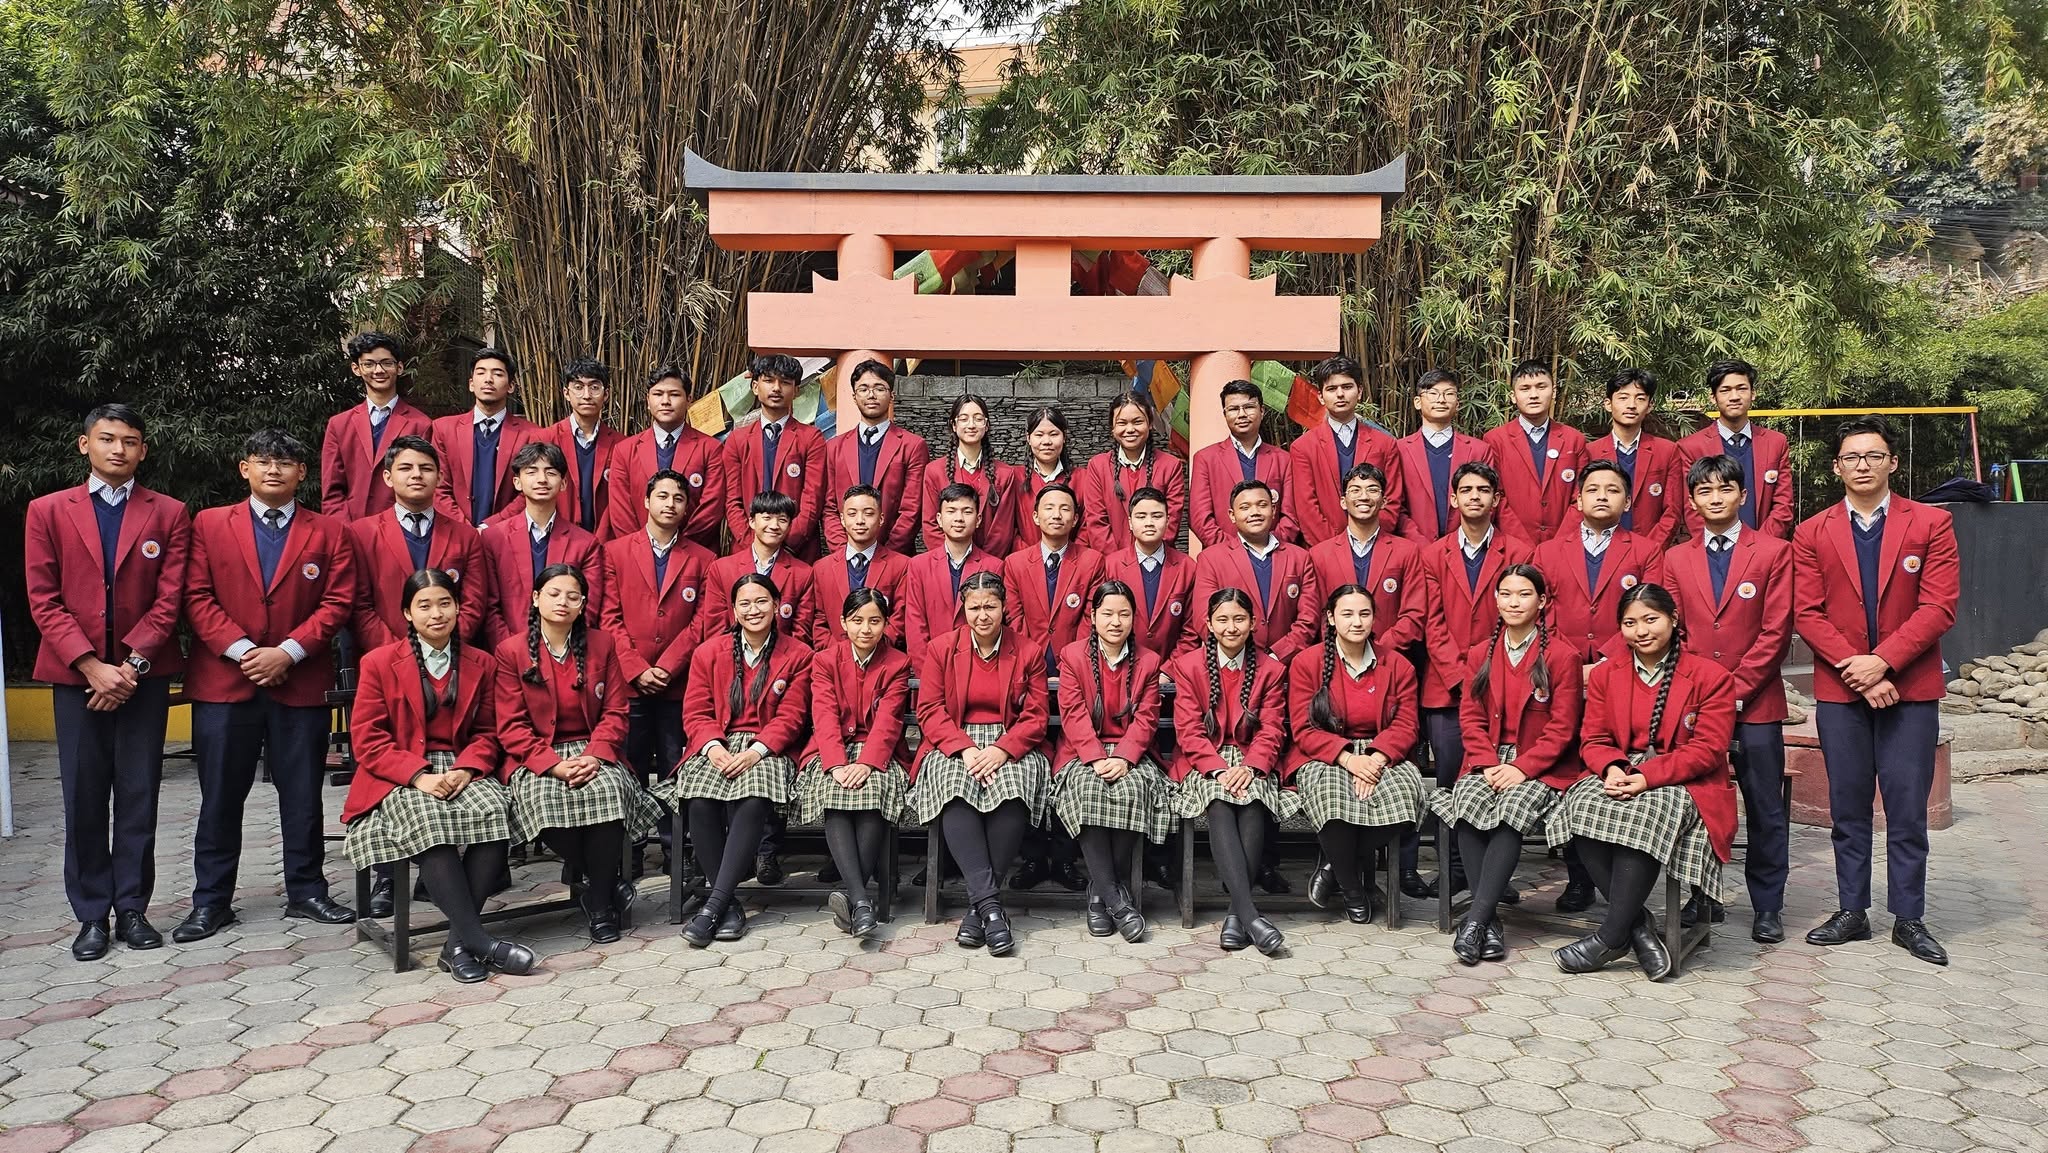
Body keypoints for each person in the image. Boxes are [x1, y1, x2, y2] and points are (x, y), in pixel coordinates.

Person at [178, 428, 358, 942]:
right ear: (244, 469)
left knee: (301, 791)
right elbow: (195, 596)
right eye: (263, 461)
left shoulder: (329, 532)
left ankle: (307, 891)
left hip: (299, 681)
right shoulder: (209, 524)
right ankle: (211, 902)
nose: (274, 470)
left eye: (285, 462)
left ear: (303, 472)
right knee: (219, 796)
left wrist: (288, 652)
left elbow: (337, 602)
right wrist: (244, 652)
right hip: (224, 682)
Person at [26, 404, 191, 959]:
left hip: (141, 679)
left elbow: (170, 601)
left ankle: (133, 909)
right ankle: (92, 916)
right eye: (107, 439)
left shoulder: (168, 513)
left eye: (130, 441)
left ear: (144, 451)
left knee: (140, 793)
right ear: (84, 445)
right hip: (78, 680)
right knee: (85, 795)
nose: (118, 449)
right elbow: (43, 600)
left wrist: (130, 667)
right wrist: (90, 666)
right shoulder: (47, 511)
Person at [1793, 415, 1958, 965]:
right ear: (1837, 467)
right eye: (1852, 457)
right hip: (1843, 693)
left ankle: (1909, 918)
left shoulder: (1931, 524)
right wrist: (1856, 669)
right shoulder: (1812, 531)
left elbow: (1939, 607)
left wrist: (1883, 662)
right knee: (1849, 805)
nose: (1862, 465)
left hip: (1909, 689)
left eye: (1873, 455)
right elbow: (1807, 613)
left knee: (1907, 809)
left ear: (1891, 462)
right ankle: (1851, 910)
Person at [341, 570, 534, 981]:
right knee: (429, 819)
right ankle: (477, 941)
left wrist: (467, 767)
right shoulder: (378, 662)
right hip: (399, 772)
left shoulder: (480, 661)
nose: (436, 613)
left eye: (445, 603)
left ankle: (456, 944)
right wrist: (418, 776)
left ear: (460, 607)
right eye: (424, 605)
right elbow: (368, 740)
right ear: (407, 614)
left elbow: (488, 733)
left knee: (495, 810)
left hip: (463, 765)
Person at [1549, 584, 1737, 981]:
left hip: (1684, 777)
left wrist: (1646, 778)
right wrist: (1613, 768)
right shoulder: (1605, 675)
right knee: (1580, 804)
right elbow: (1594, 739)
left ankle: (1611, 936)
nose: (1641, 631)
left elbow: (1708, 749)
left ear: (1673, 619)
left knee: (1645, 812)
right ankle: (1637, 925)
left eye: (1650, 619)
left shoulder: (1710, 676)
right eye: (1630, 623)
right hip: (1619, 770)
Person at [493, 564, 661, 945]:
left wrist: (596, 756)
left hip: (592, 748)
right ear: (536, 599)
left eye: (572, 596)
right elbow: (511, 726)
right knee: (542, 799)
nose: (562, 602)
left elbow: (616, 712)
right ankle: (606, 883)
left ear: (583, 603)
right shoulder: (512, 651)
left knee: (608, 792)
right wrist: (551, 765)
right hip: (538, 754)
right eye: (553, 594)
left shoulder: (603, 645)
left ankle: (599, 903)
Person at [1428, 565, 1585, 965]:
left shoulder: (1561, 655)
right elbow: (1471, 717)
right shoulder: (1481, 653)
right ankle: (1492, 920)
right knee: (1467, 799)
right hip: (1488, 760)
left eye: (1524, 594)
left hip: (1539, 765)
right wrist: (1484, 762)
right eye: (1507, 594)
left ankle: (1477, 920)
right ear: (1496, 600)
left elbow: (1563, 727)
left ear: (1542, 601)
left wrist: (1522, 768)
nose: (1514, 602)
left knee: (1511, 810)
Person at [1666, 455, 1794, 942]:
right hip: (1694, 707)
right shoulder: (1677, 557)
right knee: (1698, 802)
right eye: (1704, 491)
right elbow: (1674, 630)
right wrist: (1707, 697)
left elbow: (1776, 631)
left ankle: (1768, 907)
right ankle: (1704, 894)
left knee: (1764, 806)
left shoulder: (1773, 552)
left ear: (1743, 496)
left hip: (1757, 704)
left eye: (1725, 489)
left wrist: (1733, 693)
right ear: (1693, 502)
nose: (1714, 498)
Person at [907, 572, 1052, 956]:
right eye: (974, 607)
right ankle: (991, 907)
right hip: (957, 740)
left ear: (1005, 607)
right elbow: (930, 709)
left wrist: (1003, 749)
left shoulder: (1028, 651)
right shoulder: (942, 649)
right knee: (953, 785)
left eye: (990, 606)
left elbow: (1036, 716)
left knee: (1016, 785)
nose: (983, 615)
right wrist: (964, 748)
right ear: (963, 608)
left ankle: (978, 910)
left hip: (1009, 740)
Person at [666, 573, 814, 947]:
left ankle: (713, 905)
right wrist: (714, 748)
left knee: (752, 795)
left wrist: (755, 751)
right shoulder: (708, 652)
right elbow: (696, 712)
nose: (754, 610)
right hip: (716, 744)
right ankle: (727, 904)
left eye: (762, 601)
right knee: (698, 796)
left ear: (777, 605)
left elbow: (792, 717)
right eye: (744, 603)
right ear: (733, 610)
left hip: (767, 747)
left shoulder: (798, 655)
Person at [1307, 462, 1433, 899]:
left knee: (1401, 785)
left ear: (1384, 499)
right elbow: (1312, 614)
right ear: (1342, 500)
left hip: (1384, 669)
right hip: (1334, 675)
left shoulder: (1406, 552)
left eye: (1372, 488)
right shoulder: (1320, 554)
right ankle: (1353, 878)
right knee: (1334, 787)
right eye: (1355, 489)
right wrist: (1344, 647)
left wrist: (1376, 648)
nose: (1363, 496)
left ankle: (1367, 871)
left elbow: (1415, 613)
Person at [1418, 463, 1534, 898]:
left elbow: (1520, 618)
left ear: (1496, 499)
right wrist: (1462, 677)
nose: (1474, 497)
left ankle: (1493, 875)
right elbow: (1431, 622)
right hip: (1446, 688)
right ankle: (1455, 870)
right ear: (1453, 499)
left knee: (1498, 776)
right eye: (1465, 490)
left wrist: (1489, 674)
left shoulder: (1519, 551)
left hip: (1504, 683)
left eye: (1483, 490)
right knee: (1451, 777)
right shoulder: (1433, 554)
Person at [599, 470, 718, 880]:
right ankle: (626, 849)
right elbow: (607, 617)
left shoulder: (703, 560)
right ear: (646, 501)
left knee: (673, 765)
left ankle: (674, 847)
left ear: (688, 508)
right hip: (627, 683)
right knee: (628, 763)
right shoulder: (614, 552)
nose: (670, 504)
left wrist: (668, 666)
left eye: (678, 498)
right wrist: (635, 668)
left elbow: (704, 622)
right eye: (662, 496)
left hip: (677, 683)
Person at [1167, 590, 1293, 955]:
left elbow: (1273, 728)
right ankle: (1250, 914)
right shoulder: (1191, 667)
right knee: (1221, 803)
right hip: (1204, 762)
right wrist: (1219, 770)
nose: (1231, 627)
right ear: (1208, 624)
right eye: (1222, 620)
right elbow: (1188, 730)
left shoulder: (1270, 670)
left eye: (1239, 619)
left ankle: (1237, 915)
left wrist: (1251, 766)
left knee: (1252, 802)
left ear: (1253, 623)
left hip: (1253, 760)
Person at [1289, 586, 1425, 924]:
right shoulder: (1307, 663)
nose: (1356, 621)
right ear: (1332, 619)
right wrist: (1350, 760)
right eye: (1347, 614)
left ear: (1374, 617)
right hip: (1327, 752)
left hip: (1382, 751)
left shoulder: (1397, 665)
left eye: (1364, 613)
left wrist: (1376, 761)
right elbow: (1304, 729)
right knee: (1333, 801)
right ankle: (1353, 890)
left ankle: (1334, 865)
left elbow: (1407, 724)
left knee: (1406, 800)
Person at [1050, 581, 1170, 943]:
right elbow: (1072, 715)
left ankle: (1099, 894)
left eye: (1124, 614)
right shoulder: (1072, 656)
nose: (1115, 622)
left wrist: (1124, 757)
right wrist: (1095, 757)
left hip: (1131, 754)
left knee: (1132, 790)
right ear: (1093, 617)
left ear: (1134, 618)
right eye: (1107, 614)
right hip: (1081, 752)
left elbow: (1147, 718)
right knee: (1088, 789)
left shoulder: (1148, 661)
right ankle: (1118, 900)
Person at [797, 590, 913, 938]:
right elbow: (824, 715)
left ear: (885, 624)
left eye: (875, 621)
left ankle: (854, 900)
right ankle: (863, 901)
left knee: (873, 791)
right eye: (858, 620)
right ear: (844, 622)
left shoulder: (897, 662)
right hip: (831, 749)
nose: (866, 629)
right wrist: (835, 764)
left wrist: (866, 763)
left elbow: (890, 721)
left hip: (878, 751)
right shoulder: (825, 660)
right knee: (834, 791)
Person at [346, 437, 485, 652]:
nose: (417, 475)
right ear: (388, 477)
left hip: (452, 658)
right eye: (405, 468)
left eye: (426, 468)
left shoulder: (465, 536)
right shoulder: (361, 534)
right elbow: (359, 606)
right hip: (384, 661)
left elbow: (473, 604)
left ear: (439, 478)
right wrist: (399, 655)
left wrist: (444, 648)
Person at [1530, 460, 1666, 666]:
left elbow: (1649, 612)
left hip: (1624, 662)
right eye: (1592, 490)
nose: (1602, 496)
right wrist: (1567, 659)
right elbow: (1538, 611)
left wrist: (1608, 660)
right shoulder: (1546, 552)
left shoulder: (1648, 551)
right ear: (1579, 501)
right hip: (1557, 662)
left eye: (1612, 490)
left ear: (1627, 502)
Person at [477, 442, 604, 648]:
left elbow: (587, 607)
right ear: (517, 482)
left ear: (563, 483)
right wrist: (514, 651)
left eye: (551, 472)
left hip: (566, 653)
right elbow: (490, 607)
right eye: (532, 472)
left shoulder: (586, 543)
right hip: (509, 653)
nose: (542, 480)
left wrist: (559, 649)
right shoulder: (493, 538)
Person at [1191, 481, 1321, 667]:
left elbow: (1309, 618)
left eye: (1262, 505)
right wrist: (1243, 655)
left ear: (1273, 509)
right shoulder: (1211, 559)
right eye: (1245, 507)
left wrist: (1277, 656)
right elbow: (1204, 619)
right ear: (1232, 515)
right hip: (1232, 665)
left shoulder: (1299, 558)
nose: (1255, 512)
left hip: (1287, 665)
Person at [603, 365, 726, 550]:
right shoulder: (625, 450)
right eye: (658, 394)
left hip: (694, 554)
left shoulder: (710, 448)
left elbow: (712, 508)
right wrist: (641, 546)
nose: (665, 401)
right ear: (648, 400)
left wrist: (679, 546)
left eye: (674, 395)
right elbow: (620, 510)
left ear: (689, 400)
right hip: (636, 553)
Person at [1285, 355, 1404, 546]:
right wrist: (1332, 548)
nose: (1340, 394)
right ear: (1321, 397)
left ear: (1360, 392)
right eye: (1332, 389)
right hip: (1323, 549)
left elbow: (1392, 500)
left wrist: (1369, 540)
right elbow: (1306, 507)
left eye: (1347, 387)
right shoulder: (1303, 447)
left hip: (1377, 545)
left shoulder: (1385, 444)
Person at [724, 354, 828, 558]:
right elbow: (732, 500)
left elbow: (812, 500)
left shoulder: (811, 438)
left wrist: (789, 543)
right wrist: (752, 544)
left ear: (796, 390)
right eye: (769, 380)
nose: (776, 388)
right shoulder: (737, 440)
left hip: (798, 551)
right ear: (755, 387)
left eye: (785, 382)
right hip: (747, 549)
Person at [321, 333, 432, 522]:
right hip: (349, 531)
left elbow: (424, 485)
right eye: (369, 364)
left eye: (387, 363)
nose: (378, 370)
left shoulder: (421, 424)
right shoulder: (339, 424)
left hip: (400, 530)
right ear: (356, 369)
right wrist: (345, 530)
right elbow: (332, 491)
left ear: (399, 367)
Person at [1679, 360, 1794, 540]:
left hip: (1766, 550)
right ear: (1713, 397)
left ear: (1753, 393)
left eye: (1741, 388)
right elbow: (1691, 508)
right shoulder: (1691, 447)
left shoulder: (1775, 443)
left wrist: (1761, 546)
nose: (1734, 396)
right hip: (1715, 549)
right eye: (1725, 390)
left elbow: (1783, 505)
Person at [432, 347, 545, 527]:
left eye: (498, 374)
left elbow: (529, 491)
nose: (488, 379)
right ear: (471, 383)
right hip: (454, 532)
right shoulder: (444, 429)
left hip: (507, 532)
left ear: (511, 386)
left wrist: (490, 526)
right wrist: (463, 527)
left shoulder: (531, 434)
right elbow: (438, 486)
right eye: (481, 372)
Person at [825, 359, 929, 554]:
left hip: (896, 557)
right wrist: (844, 552)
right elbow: (829, 508)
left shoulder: (912, 446)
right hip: (845, 558)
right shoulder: (834, 447)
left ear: (891, 395)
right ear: (854, 397)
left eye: (879, 388)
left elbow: (911, 509)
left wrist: (886, 556)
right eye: (863, 389)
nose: (871, 395)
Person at [1482, 360, 1587, 545]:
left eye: (1541, 387)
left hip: (1565, 545)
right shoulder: (1495, 441)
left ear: (1553, 392)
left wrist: (1560, 544)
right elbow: (1496, 497)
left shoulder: (1573, 439)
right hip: (1513, 545)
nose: (1534, 395)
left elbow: (1581, 497)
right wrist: (1521, 544)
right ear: (1513, 396)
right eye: (1525, 388)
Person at [1004, 484, 1104, 676]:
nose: (1056, 515)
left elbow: (1090, 618)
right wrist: (1030, 660)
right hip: (1027, 663)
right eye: (1049, 508)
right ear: (1035, 516)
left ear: (1075, 519)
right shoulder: (1014, 563)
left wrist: (1074, 660)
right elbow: (1014, 618)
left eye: (1064, 509)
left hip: (1077, 664)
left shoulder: (1092, 561)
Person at [1583, 368, 1683, 546]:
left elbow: (1672, 511)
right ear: (1608, 403)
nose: (1631, 405)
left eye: (1640, 398)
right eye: (1623, 397)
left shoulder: (1667, 451)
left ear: (1650, 405)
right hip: (1601, 548)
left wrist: (1649, 550)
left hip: (1652, 550)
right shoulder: (1590, 452)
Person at [703, 492, 818, 647]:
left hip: (783, 663)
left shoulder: (803, 573)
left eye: (782, 520)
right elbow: (715, 630)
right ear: (751, 521)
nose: (774, 525)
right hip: (731, 660)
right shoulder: (722, 569)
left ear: (790, 526)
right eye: (767, 518)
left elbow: (801, 633)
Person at [903, 483, 1003, 660]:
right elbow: (915, 624)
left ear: (978, 519)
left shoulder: (994, 566)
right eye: (951, 511)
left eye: (967, 511)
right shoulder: (919, 565)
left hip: (978, 664)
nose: (959, 518)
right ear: (939, 519)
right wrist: (927, 671)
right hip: (932, 664)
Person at [1078, 391, 1188, 552]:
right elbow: (1096, 522)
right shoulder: (1098, 466)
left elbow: (1171, 520)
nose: (1130, 429)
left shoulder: (1170, 466)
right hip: (1111, 565)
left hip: (1156, 561)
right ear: (1112, 428)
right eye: (1122, 423)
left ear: (1150, 423)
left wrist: (1146, 558)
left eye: (1137, 422)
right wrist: (1118, 563)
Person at [1191, 379, 1294, 547]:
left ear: (1262, 411)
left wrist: (1269, 546)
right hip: (1222, 558)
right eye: (1233, 409)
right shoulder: (1206, 458)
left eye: (1248, 407)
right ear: (1225, 414)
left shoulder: (1283, 459)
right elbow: (1199, 517)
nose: (1241, 414)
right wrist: (1231, 549)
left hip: (1274, 554)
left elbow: (1291, 516)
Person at [921, 394, 1025, 558]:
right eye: (964, 419)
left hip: (989, 566)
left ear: (987, 425)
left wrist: (984, 563)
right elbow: (930, 525)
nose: (971, 425)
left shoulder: (1005, 474)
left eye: (978, 419)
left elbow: (1003, 529)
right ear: (954, 425)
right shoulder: (934, 471)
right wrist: (952, 559)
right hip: (945, 563)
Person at [1102, 488, 1200, 661]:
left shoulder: (1187, 567)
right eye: (1141, 516)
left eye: (1157, 516)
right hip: (1124, 666)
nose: (1149, 522)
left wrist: (1168, 671)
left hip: (1171, 673)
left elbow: (1191, 630)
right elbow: (1104, 622)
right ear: (1130, 523)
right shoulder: (1111, 565)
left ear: (1168, 520)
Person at [810, 484, 911, 652]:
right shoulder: (822, 568)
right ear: (842, 519)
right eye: (852, 514)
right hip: (835, 661)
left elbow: (899, 620)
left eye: (869, 513)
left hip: (883, 658)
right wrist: (842, 654)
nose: (860, 521)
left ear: (881, 518)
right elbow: (818, 622)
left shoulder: (901, 566)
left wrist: (872, 650)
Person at [1393, 369, 1492, 541]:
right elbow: (1395, 504)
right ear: (1417, 402)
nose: (1441, 399)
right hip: (1414, 547)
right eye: (1433, 393)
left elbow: (1487, 501)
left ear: (1458, 403)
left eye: (1449, 394)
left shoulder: (1479, 450)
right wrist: (1419, 542)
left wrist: (1460, 542)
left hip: (1466, 545)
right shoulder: (1398, 449)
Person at [549, 358, 624, 534]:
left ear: (606, 395)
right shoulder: (545, 439)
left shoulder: (622, 445)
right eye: (578, 387)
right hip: (557, 538)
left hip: (605, 540)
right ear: (566, 393)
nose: (586, 395)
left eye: (594, 387)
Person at [1017, 406, 1075, 516]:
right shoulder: (1014, 478)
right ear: (1028, 438)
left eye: (1053, 434)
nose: (1046, 441)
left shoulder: (1083, 479)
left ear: (1064, 437)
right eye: (1039, 435)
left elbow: (1087, 525)